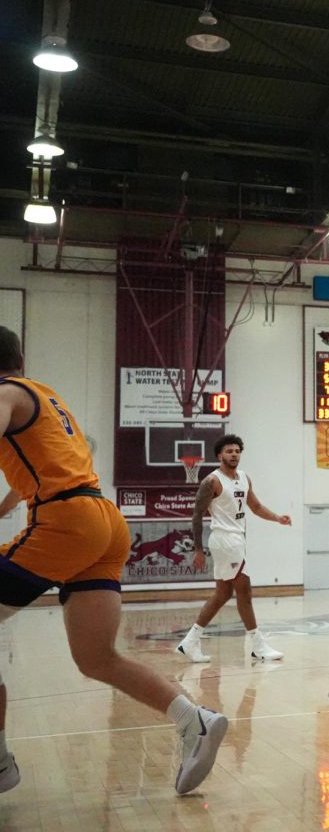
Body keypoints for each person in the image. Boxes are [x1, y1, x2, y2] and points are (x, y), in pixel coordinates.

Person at [0, 326, 225, 794]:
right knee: (97, 658)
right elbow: (31, 478)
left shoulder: (4, 394)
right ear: (21, 357)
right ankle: (194, 719)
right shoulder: (46, 397)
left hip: (67, 522)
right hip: (103, 522)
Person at [176, 434, 291, 663]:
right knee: (244, 590)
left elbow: (255, 506)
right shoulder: (212, 481)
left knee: (223, 594)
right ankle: (258, 646)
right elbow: (197, 514)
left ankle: (190, 641)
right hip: (223, 539)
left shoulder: (245, 478)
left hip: (236, 540)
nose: (234, 454)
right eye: (229, 451)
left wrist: (277, 518)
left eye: (237, 451)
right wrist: (198, 549)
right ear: (220, 456)